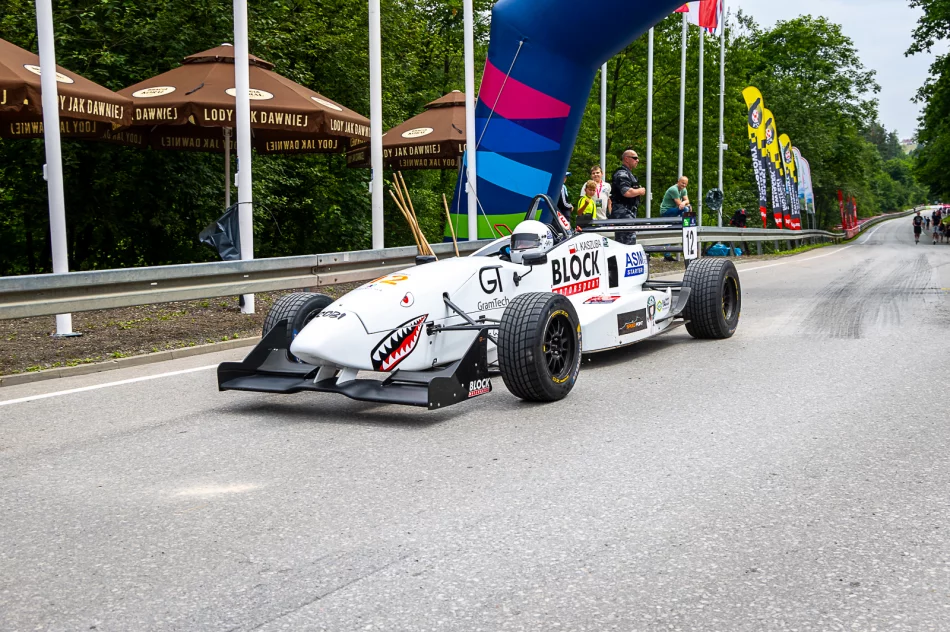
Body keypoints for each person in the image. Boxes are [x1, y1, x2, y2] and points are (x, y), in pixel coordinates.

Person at [610, 149, 646, 245]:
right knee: (626, 242)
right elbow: (626, 192)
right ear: (626, 159)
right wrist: (640, 191)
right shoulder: (621, 173)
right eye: (635, 158)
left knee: (629, 240)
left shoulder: (628, 174)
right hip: (623, 212)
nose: (637, 160)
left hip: (629, 211)